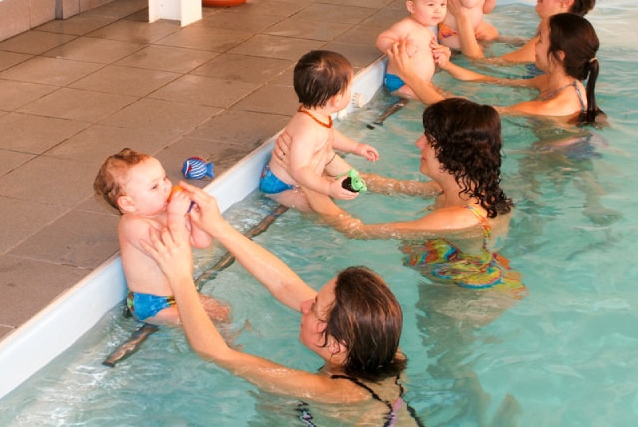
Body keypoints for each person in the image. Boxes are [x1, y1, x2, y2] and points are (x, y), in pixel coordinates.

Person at [137, 181, 424, 423]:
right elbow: (286, 284)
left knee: (271, 400)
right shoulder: (380, 346)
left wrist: (180, 277)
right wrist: (219, 227)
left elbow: (217, 353)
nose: (303, 304)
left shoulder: (338, 392)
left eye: (314, 308)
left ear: (337, 344)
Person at [292, 98, 524, 293]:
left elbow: (357, 231)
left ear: (454, 153)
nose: (418, 143)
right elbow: (390, 186)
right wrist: (327, 158)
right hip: (473, 277)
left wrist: (309, 183)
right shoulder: (470, 189)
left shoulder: (456, 219)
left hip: (464, 299)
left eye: (429, 140)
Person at [388, 13, 604, 125]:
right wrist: (447, 65)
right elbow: (489, 80)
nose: (534, 44)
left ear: (559, 56)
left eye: (541, 39)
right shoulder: (555, 82)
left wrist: (409, 75)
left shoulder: (551, 107)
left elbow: (468, 116)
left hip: (556, 164)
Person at [93, 149, 230, 325]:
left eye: (164, 178)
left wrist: (197, 216)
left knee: (222, 312)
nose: (166, 186)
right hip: (152, 304)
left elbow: (202, 242)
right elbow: (174, 250)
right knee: (199, 323)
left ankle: (232, 345)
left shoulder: (167, 213)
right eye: (154, 186)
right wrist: (176, 215)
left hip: (181, 292)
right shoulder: (132, 225)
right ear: (128, 203)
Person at [260, 50, 379, 210]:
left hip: (299, 175)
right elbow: (299, 170)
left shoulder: (317, 113)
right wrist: (327, 188)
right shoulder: (307, 130)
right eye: (349, 88)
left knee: (337, 187)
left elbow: (330, 134)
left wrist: (355, 147)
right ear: (336, 100)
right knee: (314, 207)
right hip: (280, 186)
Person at [452, 0, 603, 63]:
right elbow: (526, 47)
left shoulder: (548, 40)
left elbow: (480, 64)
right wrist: (497, 38)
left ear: (567, 1)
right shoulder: (554, 27)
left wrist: (462, 19)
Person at [375, 0, 451, 101]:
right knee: (439, 103)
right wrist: (400, 47)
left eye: (442, 4)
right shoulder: (406, 26)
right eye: (431, 5)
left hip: (419, 84)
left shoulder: (428, 31)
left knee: (448, 98)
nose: (438, 10)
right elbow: (381, 40)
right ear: (411, 7)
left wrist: (439, 55)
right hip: (401, 83)